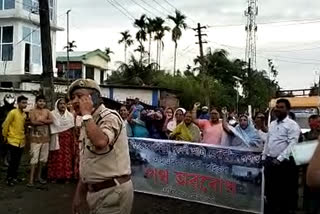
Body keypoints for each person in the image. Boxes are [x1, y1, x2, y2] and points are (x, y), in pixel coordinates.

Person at [69, 79, 133, 214]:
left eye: (80, 96)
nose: (74, 101)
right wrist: (79, 194)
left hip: (113, 193)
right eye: (72, 98)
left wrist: (86, 115)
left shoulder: (110, 117)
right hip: (94, 192)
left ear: (95, 98)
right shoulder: (87, 121)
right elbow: (88, 161)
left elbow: (101, 142)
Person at [263, 98, 300, 214]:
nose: (278, 109)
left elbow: (292, 144)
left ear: (288, 110)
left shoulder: (293, 125)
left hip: (283, 164)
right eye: (277, 107)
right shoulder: (272, 124)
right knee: (269, 192)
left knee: (283, 194)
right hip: (270, 162)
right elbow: (268, 141)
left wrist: (279, 159)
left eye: (281, 107)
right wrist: (264, 157)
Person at [2, 95, 28, 186]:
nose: (25, 105)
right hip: (12, 140)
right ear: (18, 103)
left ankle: (14, 177)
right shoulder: (13, 112)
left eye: (26, 103)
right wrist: (5, 137)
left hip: (21, 141)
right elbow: (5, 125)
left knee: (17, 161)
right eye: (23, 103)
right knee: (12, 161)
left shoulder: (24, 115)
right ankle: (9, 178)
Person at [47, 98, 75, 182]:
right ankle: (54, 177)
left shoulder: (70, 115)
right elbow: (51, 126)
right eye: (60, 104)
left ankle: (66, 176)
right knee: (56, 157)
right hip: (56, 137)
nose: (62, 105)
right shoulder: (52, 114)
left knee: (66, 157)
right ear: (57, 105)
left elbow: (72, 127)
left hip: (67, 139)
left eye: (64, 104)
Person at [28, 95, 53, 186]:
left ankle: (39, 177)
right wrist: (44, 121)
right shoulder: (32, 111)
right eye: (40, 101)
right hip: (35, 139)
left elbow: (51, 121)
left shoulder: (47, 111)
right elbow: (33, 122)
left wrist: (41, 121)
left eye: (43, 101)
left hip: (45, 139)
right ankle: (30, 180)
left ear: (45, 103)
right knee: (34, 159)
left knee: (43, 160)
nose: (41, 103)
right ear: (36, 102)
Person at [0, 94, 16, 167]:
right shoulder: (1, 109)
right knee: (3, 146)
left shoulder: (15, 110)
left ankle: (8, 159)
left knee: (11, 147)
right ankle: (4, 160)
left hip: (13, 130)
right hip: (3, 130)